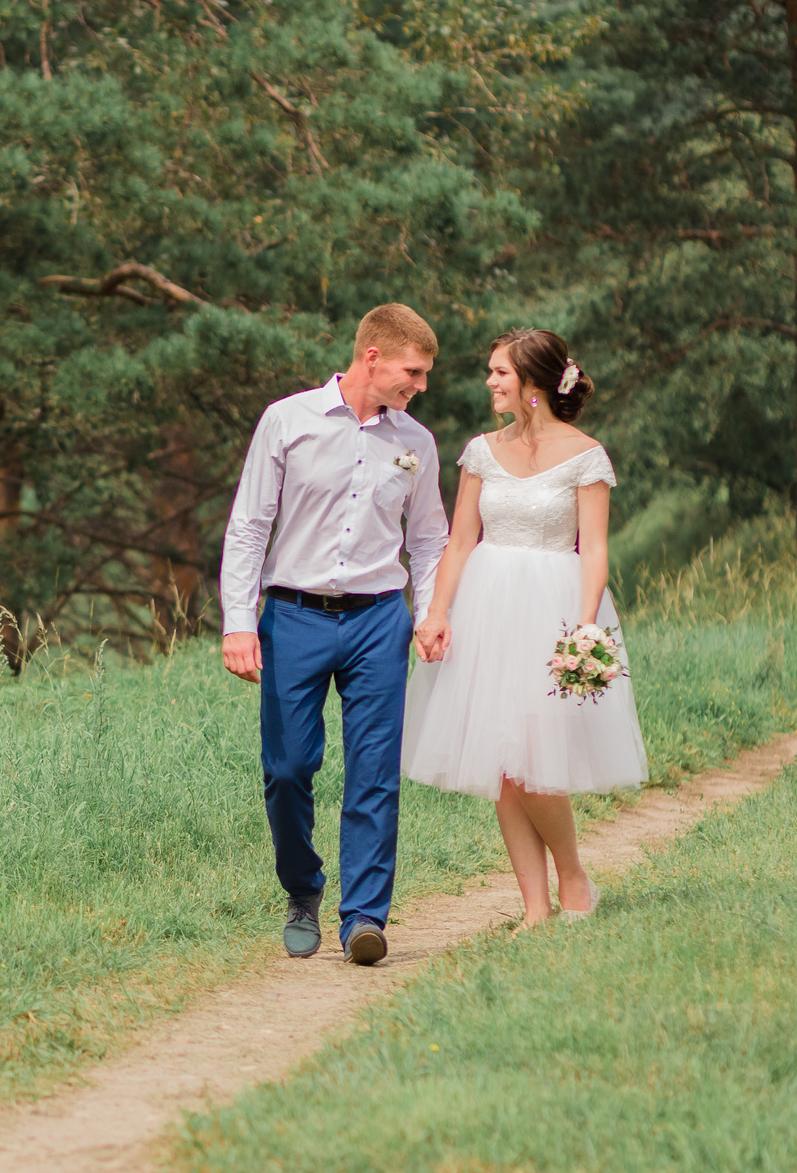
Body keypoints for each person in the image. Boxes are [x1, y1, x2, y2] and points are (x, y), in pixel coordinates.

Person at [220, 304, 450, 966]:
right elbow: (248, 525)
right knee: (288, 767)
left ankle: (365, 917)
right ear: (372, 356)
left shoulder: (417, 443)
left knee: (375, 770)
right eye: (414, 371)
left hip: (380, 617)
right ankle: (302, 889)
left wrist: (429, 611)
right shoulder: (286, 421)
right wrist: (240, 621)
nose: (421, 386)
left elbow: (429, 536)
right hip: (292, 614)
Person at [402, 328, 648, 925]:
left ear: (534, 382)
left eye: (500, 373)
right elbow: (460, 542)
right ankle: (535, 909)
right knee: (503, 767)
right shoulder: (481, 450)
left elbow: (593, 550)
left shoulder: (586, 455)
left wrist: (585, 628)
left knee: (534, 757)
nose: (490, 382)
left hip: (553, 609)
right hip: (485, 609)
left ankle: (574, 879)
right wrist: (435, 612)